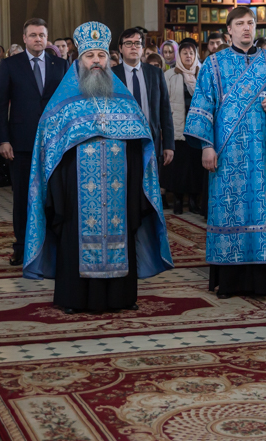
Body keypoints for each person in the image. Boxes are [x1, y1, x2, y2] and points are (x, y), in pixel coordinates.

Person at [23, 21, 173, 313]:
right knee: (74, 237)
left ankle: (120, 297)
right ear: (79, 60)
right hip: (74, 194)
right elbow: (49, 150)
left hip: (120, 192)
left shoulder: (124, 102)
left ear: (109, 60)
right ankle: (74, 298)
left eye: (101, 56)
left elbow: (140, 141)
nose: (95, 61)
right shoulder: (63, 103)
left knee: (121, 236)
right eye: (89, 56)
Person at [186, 7, 266, 297]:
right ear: (229, 31)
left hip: (262, 156)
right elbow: (202, 106)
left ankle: (261, 281)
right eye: (240, 24)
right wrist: (206, 146)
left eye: (251, 23)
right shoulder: (213, 64)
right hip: (226, 154)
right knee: (229, 212)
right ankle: (229, 281)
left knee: (262, 211)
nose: (247, 28)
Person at [0, 18, 69, 265]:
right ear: (24, 38)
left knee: (54, 194)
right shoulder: (10, 65)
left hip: (55, 143)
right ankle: (21, 246)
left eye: (42, 35)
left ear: (47, 38)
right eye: (33, 35)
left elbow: (68, 103)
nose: (38, 39)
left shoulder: (60, 64)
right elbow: (1, 104)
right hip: (21, 142)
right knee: (23, 196)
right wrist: (3, 140)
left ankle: (53, 244)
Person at [113, 28, 175, 170]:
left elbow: (165, 110)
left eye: (137, 43)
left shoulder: (155, 73)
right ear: (120, 48)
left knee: (150, 186)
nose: (133, 47)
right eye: (128, 43)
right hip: (122, 141)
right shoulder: (112, 76)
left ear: (142, 48)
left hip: (150, 139)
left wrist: (169, 145)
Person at [162, 38, 206, 215]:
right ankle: (178, 200)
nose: (188, 56)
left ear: (196, 55)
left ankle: (194, 201)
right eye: (184, 53)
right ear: (179, 55)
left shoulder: (202, 74)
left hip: (197, 128)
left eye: (191, 53)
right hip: (177, 126)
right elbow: (163, 102)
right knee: (178, 167)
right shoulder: (170, 74)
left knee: (196, 166)